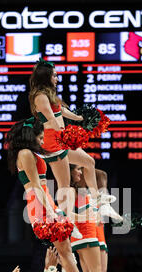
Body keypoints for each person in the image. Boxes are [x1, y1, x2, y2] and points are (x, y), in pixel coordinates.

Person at [6, 117, 103, 272]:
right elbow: (34, 186)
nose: (43, 141)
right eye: (40, 137)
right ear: (31, 136)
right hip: (39, 204)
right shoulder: (25, 153)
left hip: (46, 200)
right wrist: (51, 212)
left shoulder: (32, 152)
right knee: (66, 251)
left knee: (67, 249)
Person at [28, 58, 110, 218]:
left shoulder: (51, 95)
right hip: (53, 142)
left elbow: (63, 112)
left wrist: (81, 118)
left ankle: (96, 199)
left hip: (62, 139)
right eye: (54, 76)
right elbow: (51, 118)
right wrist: (64, 132)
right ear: (46, 77)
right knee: (64, 184)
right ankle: (65, 218)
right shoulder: (40, 96)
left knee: (89, 162)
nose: (57, 79)